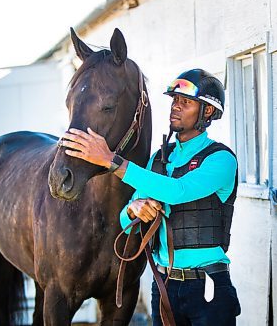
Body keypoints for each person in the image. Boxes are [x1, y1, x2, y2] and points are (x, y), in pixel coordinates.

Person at [61, 68, 241, 326]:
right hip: (165, 285)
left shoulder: (221, 159)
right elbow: (124, 221)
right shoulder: (160, 158)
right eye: (174, 101)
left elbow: (179, 191)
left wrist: (112, 161)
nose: (175, 107)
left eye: (185, 102)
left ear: (208, 112)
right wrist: (134, 208)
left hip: (207, 287)